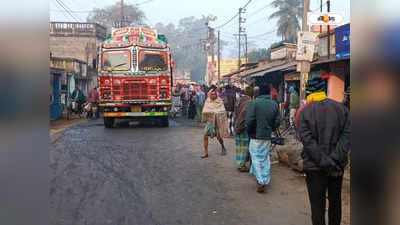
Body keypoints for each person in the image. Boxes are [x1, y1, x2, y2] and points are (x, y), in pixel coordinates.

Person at [296, 77, 350, 225]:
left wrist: (324, 161)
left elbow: (308, 142)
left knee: (317, 207)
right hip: (336, 166)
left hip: (315, 167)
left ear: (309, 92)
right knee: (335, 203)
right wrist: (333, 160)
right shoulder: (342, 109)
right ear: (324, 90)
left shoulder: (304, 112)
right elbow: (347, 137)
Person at [245, 83, 280, 193]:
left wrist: (249, 130)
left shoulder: (255, 103)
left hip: (255, 135)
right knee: (265, 157)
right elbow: (278, 121)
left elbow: (249, 120)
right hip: (267, 135)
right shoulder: (274, 104)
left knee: (255, 157)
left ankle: (261, 181)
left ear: (259, 93)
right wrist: (271, 128)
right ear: (268, 93)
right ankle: (265, 179)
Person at [201, 88, 227, 158]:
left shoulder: (219, 101)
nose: (213, 95)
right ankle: (206, 152)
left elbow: (223, 111)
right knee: (205, 136)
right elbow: (204, 110)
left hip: (217, 122)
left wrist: (216, 113)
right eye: (211, 94)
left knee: (219, 137)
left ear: (216, 95)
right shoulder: (207, 101)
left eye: (214, 94)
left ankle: (223, 147)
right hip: (209, 122)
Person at [233, 87, 253, 172]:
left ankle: (239, 164)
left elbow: (235, 114)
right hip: (243, 127)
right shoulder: (249, 102)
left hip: (237, 126)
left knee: (239, 147)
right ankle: (242, 165)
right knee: (244, 147)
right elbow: (245, 116)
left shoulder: (238, 100)